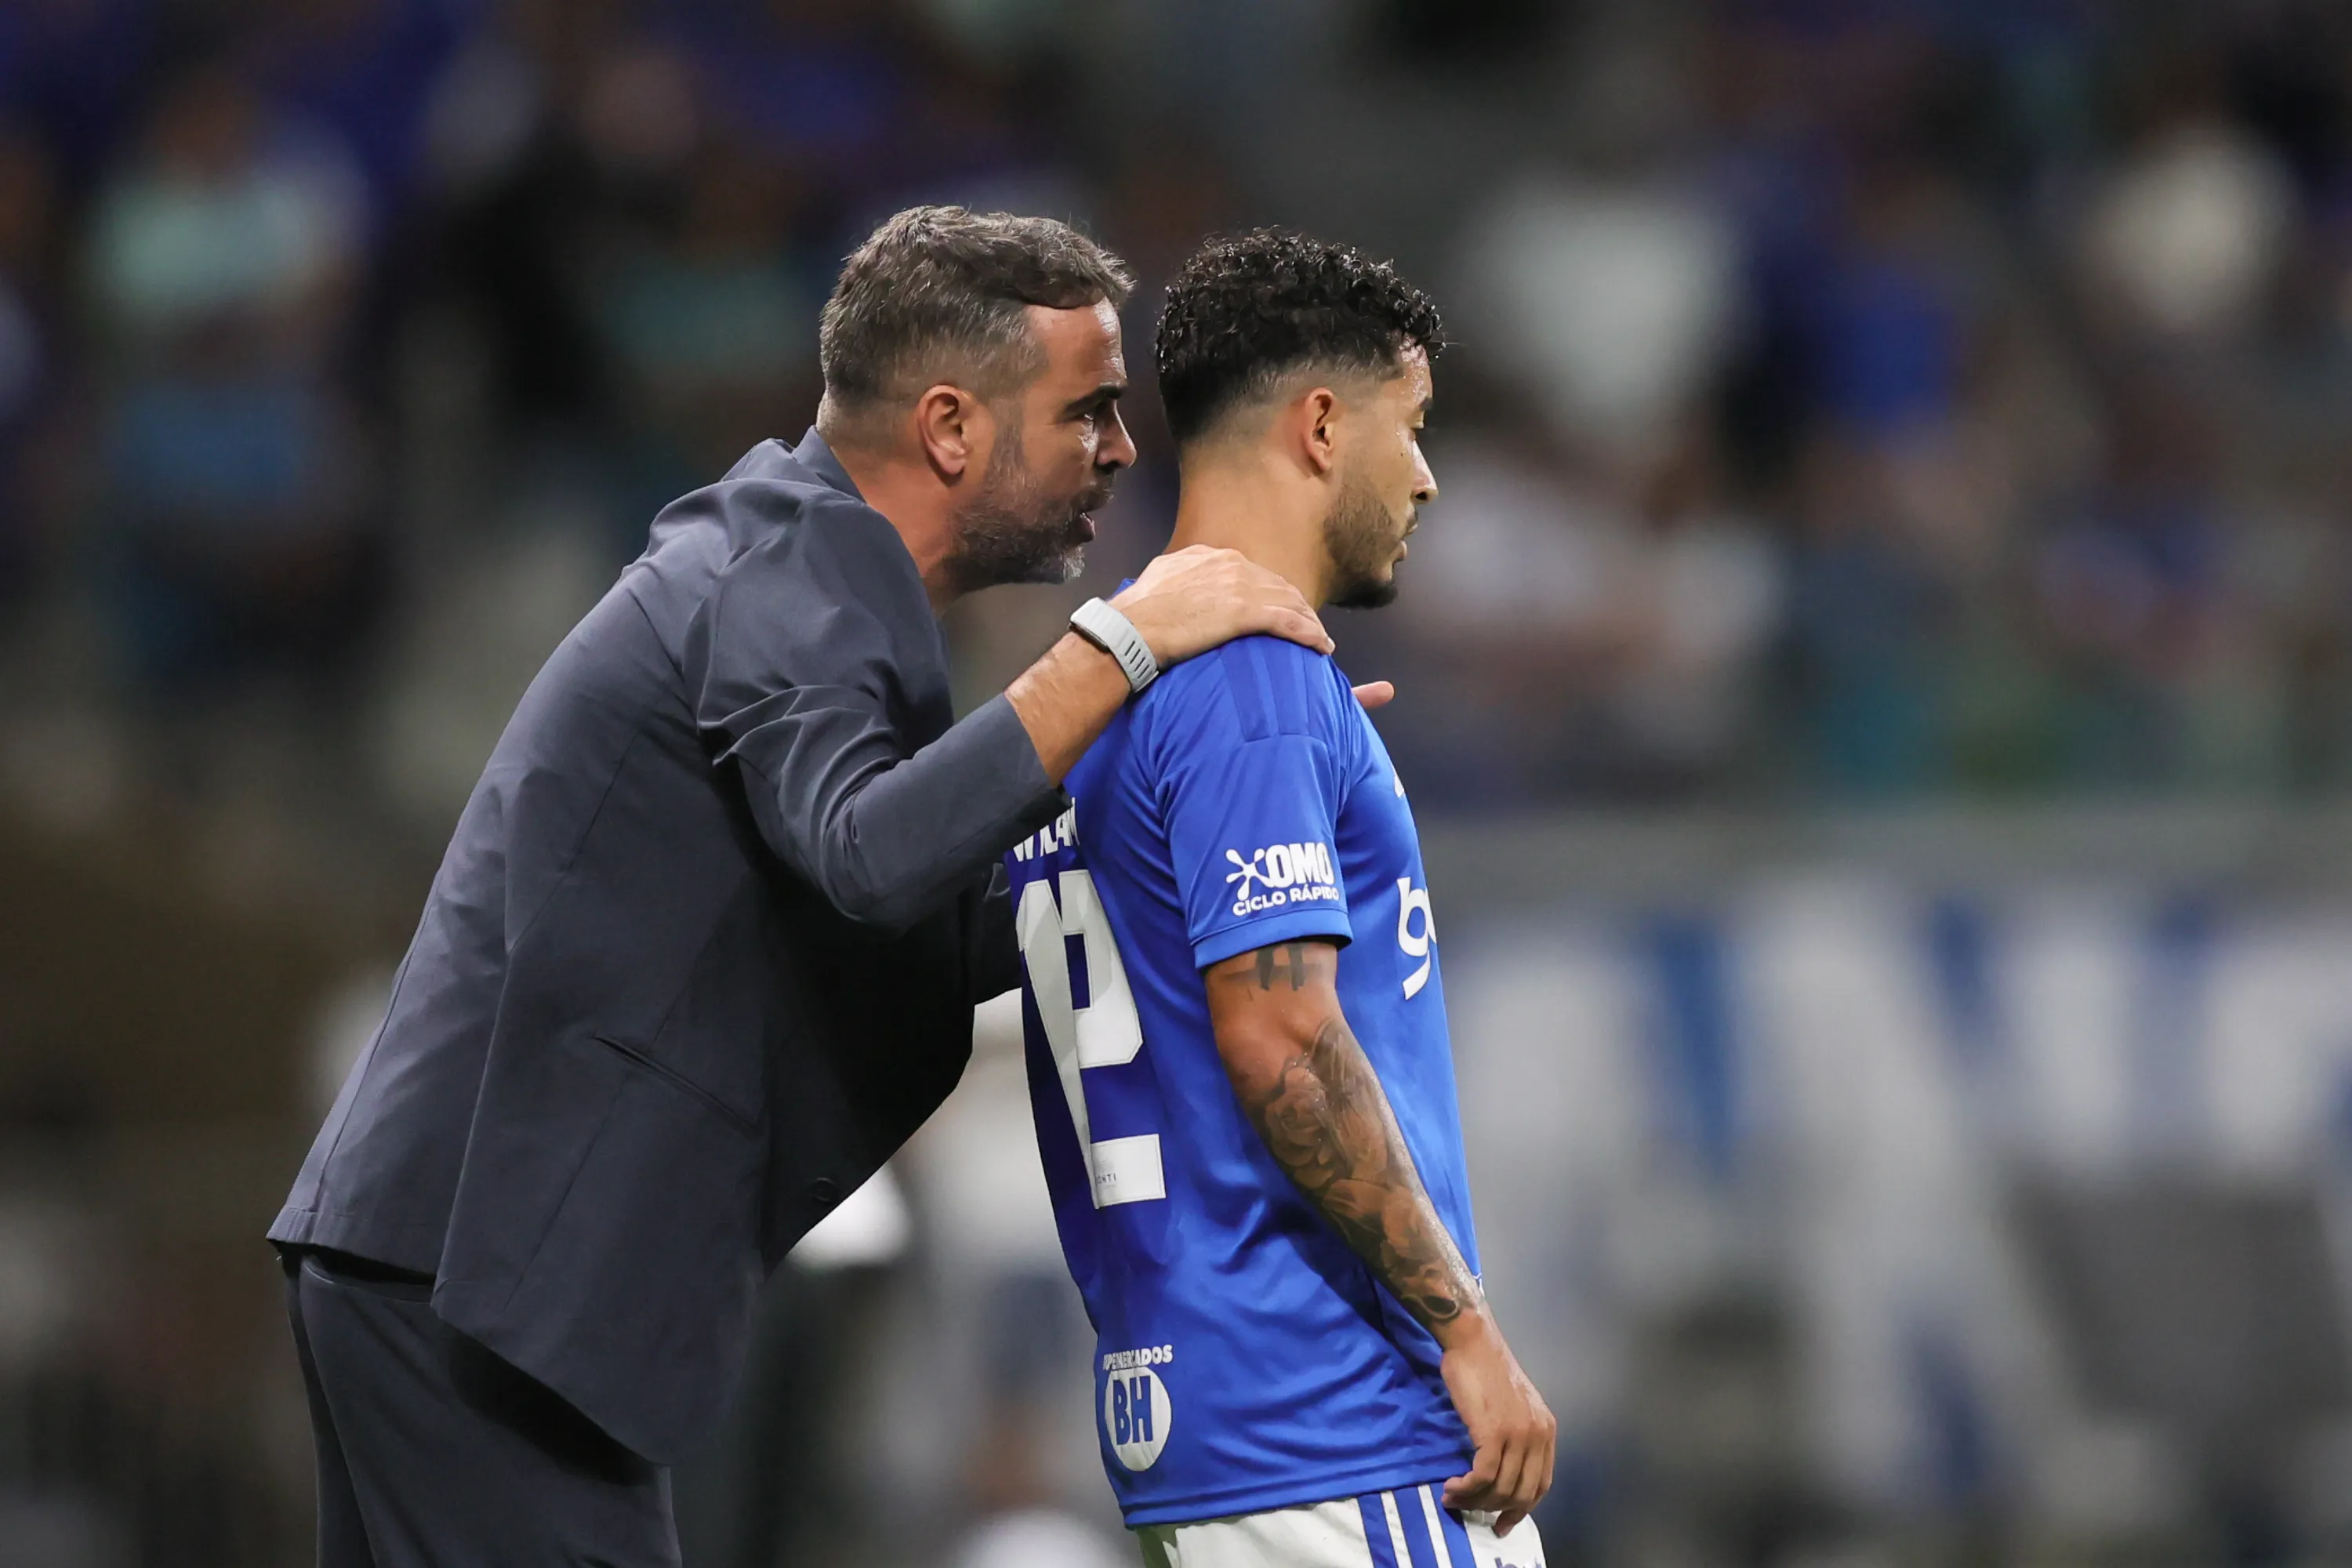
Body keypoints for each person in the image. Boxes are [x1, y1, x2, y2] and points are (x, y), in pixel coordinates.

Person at [266, 207, 1339, 1567]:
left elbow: (917, 910)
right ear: (952, 428)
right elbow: (873, 854)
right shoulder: (798, 560)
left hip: (447, 1265)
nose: (1121, 451)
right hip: (472, 1274)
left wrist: (1196, 789)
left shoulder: (818, 575)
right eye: (1089, 410)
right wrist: (1118, 647)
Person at [1003, 231, 1556, 1567]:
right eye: (1411, 427)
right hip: (1342, 1421)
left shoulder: (1104, 692)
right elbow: (1284, 1044)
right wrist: (1463, 1328)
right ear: (1320, 425)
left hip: (1201, 1418)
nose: (1425, 476)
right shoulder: (1245, 683)